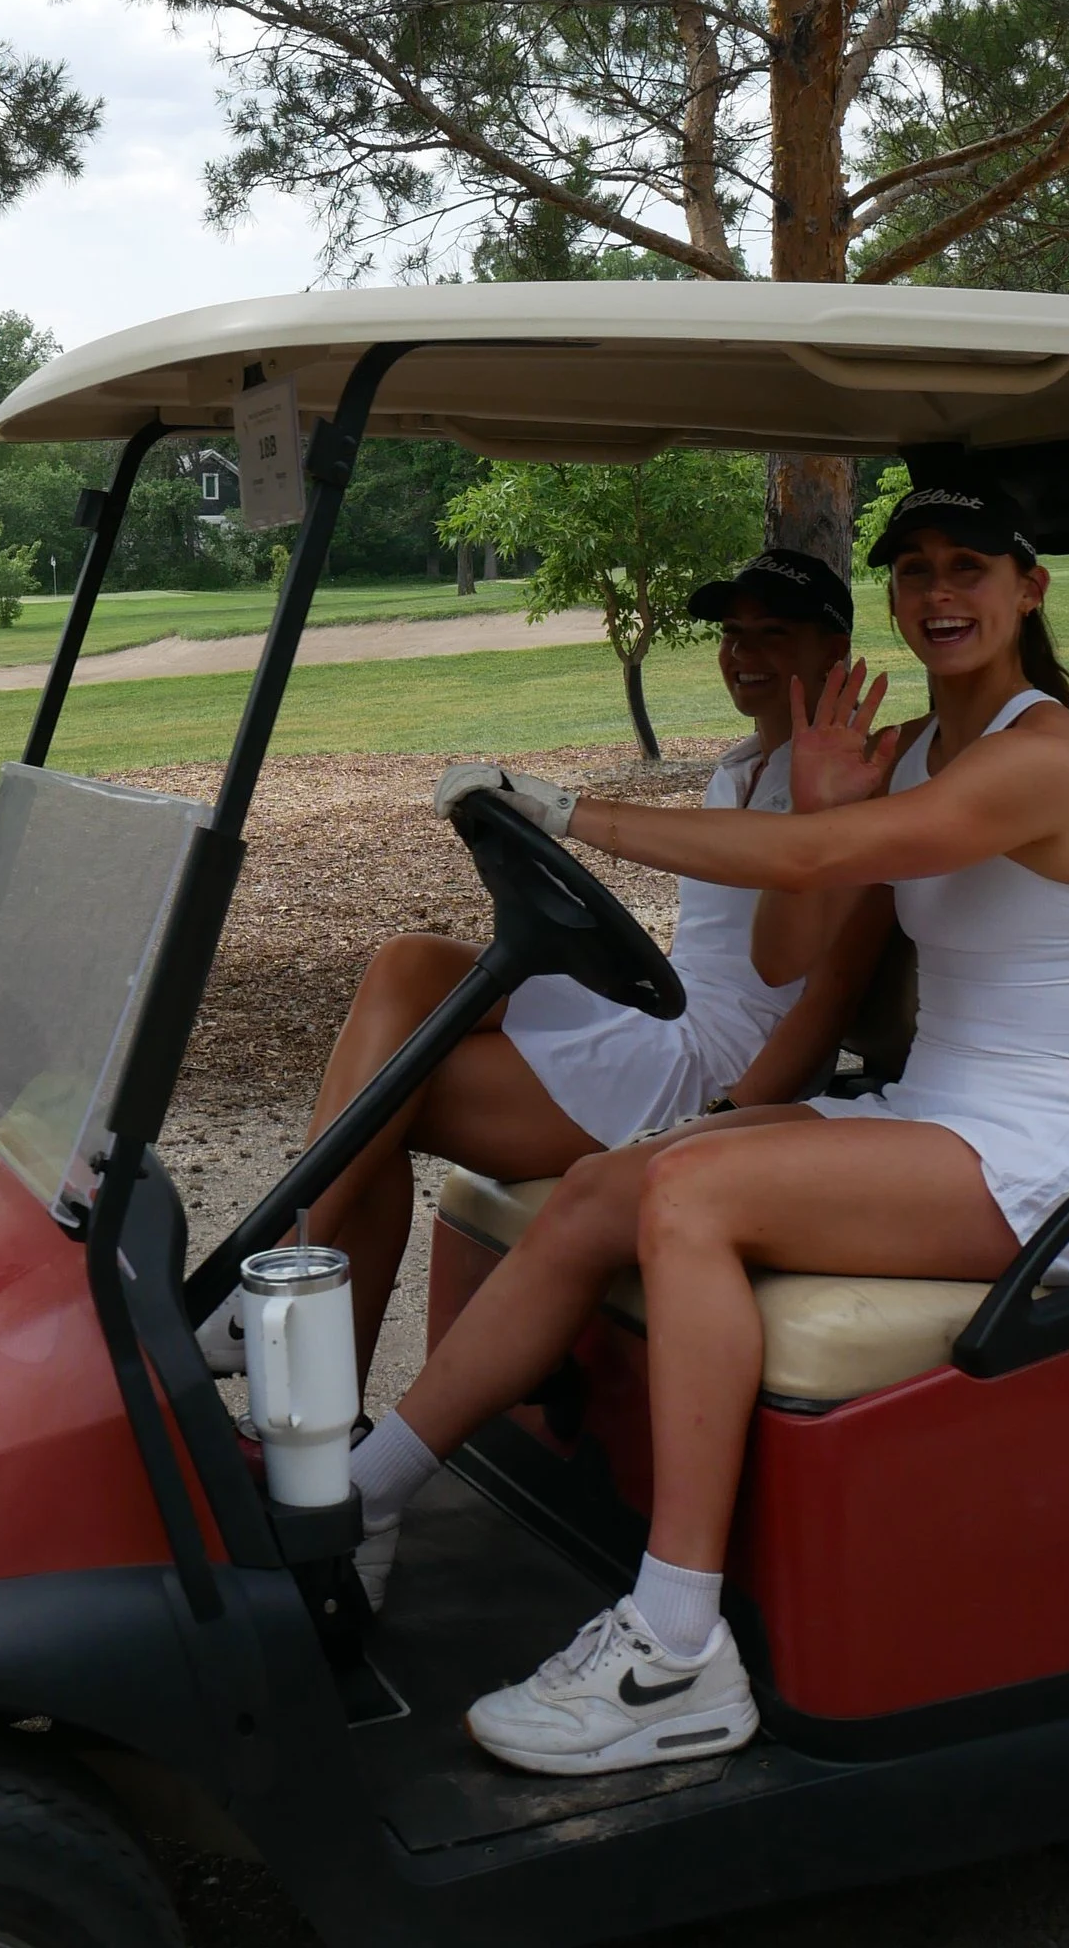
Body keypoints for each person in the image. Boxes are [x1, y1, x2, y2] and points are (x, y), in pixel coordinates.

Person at [345, 488, 1069, 1779]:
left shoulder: (1044, 754)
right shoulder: (906, 753)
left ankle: (676, 1645)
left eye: (968, 567)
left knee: (693, 1195)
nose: (939, 593)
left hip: (1047, 1152)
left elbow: (802, 870)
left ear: (1028, 589)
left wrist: (569, 810)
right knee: (612, 1184)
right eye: (914, 571)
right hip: (932, 1115)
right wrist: (815, 808)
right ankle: (363, 1499)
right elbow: (789, 949)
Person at [206, 552, 892, 1389]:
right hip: (660, 1023)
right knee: (408, 969)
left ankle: (272, 1287)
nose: (742, 652)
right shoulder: (740, 766)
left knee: (379, 1104)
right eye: (732, 633)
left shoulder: (861, 793)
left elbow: (825, 1002)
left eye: (772, 633)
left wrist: (724, 1121)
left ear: (834, 650)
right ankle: (303, 1338)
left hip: (711, 1073)